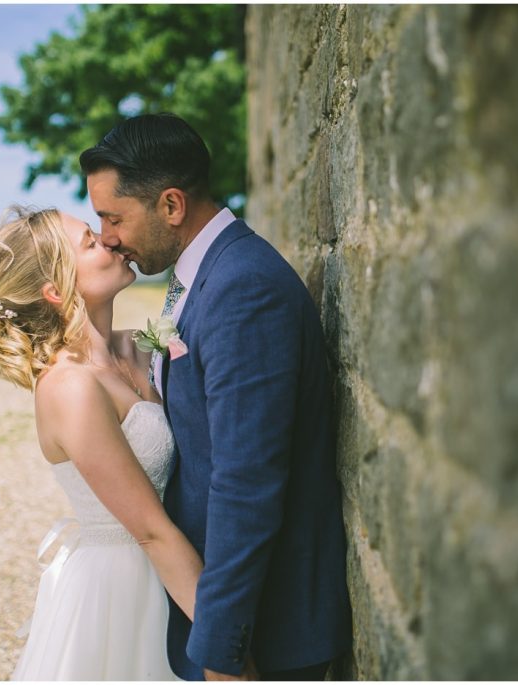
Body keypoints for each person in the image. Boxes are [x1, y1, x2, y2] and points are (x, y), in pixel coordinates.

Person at [80, 113, 352, 681]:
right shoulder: (204, 274)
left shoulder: (241, 288)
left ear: (171, 206)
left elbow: (246, 482)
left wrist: (222, 648)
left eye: (113, 217)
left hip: (267, 631)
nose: (106, 235)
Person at [0, 205, 203, 680]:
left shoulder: (141, 347)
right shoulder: (69, 388)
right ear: (55, 291)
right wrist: (227, 639)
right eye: (91, 243)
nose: (111, 241)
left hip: (173, 567)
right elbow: (151, 531)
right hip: (122, 590)